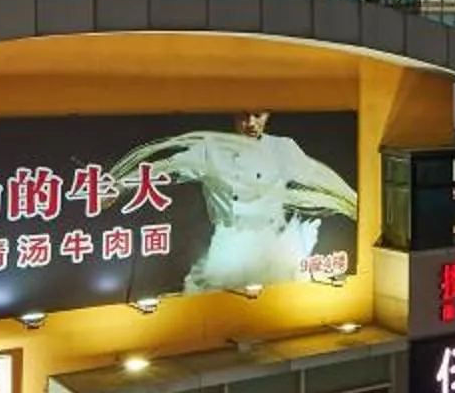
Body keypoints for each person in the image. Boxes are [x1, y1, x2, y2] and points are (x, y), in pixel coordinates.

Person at [106, 113, 359, 294]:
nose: (250, 123)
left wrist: (355, 203)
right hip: (227, 247)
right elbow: (169, 168)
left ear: (268, 115)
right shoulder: (211, 149)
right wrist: (119, 185)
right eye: (243, 116)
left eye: (257, 115)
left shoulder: (283, 148)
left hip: (274, 247)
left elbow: (317, 176)